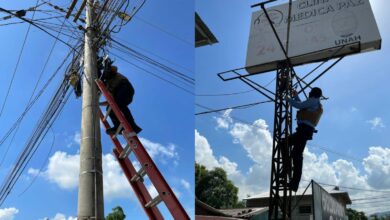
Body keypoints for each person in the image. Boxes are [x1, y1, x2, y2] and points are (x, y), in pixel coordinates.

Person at [286, 87, 323, 192]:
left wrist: (288, 99)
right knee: (293, 152)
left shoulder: (313, 100)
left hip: (303, 131)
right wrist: (295, 96)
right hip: (304, 131)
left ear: (314, 94)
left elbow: (299, 105)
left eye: (310, 92)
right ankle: (289, 173)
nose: (309, 93)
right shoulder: (315, 103)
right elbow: (302, 105)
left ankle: (293, 181)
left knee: (295, 154)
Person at [103, 66, 142, 135]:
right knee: (110, 108)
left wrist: (107, 70)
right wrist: (97, 104)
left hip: (124, 87)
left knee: (120, 103)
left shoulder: (111, 74)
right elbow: (110, 101)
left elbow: (114, 68)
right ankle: (118, 126)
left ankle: (133, 126)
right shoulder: (108, 87)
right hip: (119, 93)